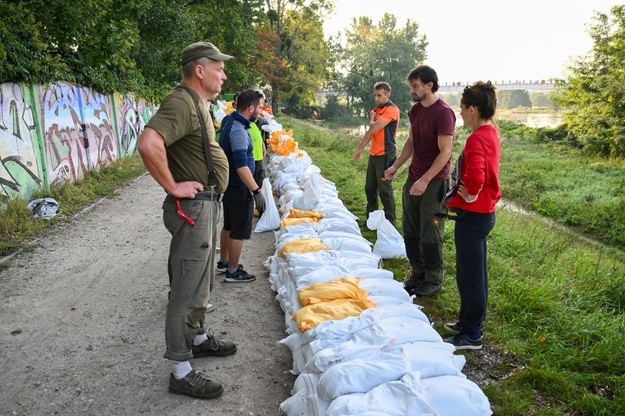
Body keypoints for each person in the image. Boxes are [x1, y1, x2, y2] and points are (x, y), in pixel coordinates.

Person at [137, 41, 236, 400]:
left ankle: (197, 338)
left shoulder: (198, 103)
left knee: (202, 281)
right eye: (218, 68)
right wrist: (172, 185)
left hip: (207, 205)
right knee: (186, 287)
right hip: (193, 209)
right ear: (199, 70)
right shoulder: (181, 100)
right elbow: (149, 143)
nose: (223, 74)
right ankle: (180, 371)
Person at [384, 65, 455, 297]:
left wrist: (425, 180)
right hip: (415, 177)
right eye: (411, 86)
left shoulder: (443, 112)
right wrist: (395, 166)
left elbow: (445, 152)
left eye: (415, 86)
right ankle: (417, 273)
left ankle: (433, 279)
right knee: (411, 228)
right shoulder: (415, 111)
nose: (411, 91)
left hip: (434, 181)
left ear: (429, 85)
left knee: (430, 233)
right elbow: (411, 143)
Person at [443, 81, 501, 350]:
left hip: (475, 216)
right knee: (473, 273)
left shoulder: (477, 138)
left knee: (471, 276)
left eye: (463, 108)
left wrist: (469, 195)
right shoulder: (490, 132)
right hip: (482, 215)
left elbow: (477, 177)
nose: (461, 113)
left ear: (473, 110)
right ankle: (467, 322)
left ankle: (472, 333)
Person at [216, 89, 266, 282]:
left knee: (228, 224)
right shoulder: (238, 130)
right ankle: (233, 271)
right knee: (238, 229)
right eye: (259, 108)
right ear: (250, 108)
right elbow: (241, 166)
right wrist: (256, 190)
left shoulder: (229, 120)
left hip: (229, 184)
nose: (260, 112)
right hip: (239, 186)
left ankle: (224, 262)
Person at [353, 81, 400, 225]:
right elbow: (370, 133)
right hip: (374, 154)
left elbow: (374, 128)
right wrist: (359, 149)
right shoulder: (377, 109)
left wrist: (371, 119)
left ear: (388, 94)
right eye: (375, 95)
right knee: (370, 188)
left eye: (379, 95)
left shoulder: (392, 110)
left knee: (384, 191)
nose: (376, 98)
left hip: (386, 155)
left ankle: (389, 222)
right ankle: (371, 221)